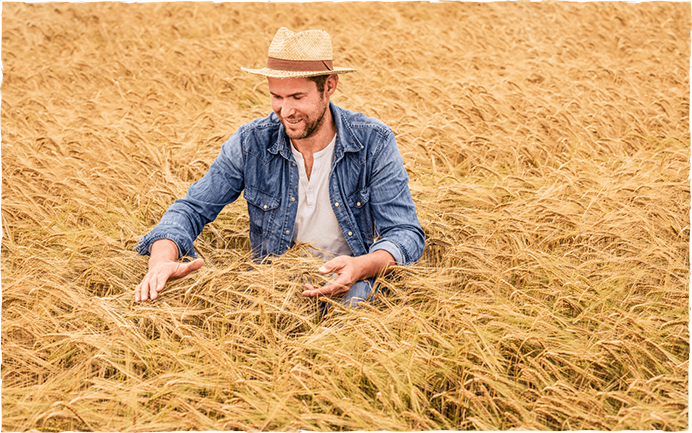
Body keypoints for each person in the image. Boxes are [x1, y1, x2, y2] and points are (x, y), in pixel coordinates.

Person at [133, 27, 425, 310]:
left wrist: (362, 266)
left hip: (349, 281)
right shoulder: (251, 142)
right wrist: (161, 259)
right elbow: (192, 208)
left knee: (356, 302)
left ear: (330, 86)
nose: (285, 111)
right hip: (270, 284)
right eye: (277, 97)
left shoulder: (373, 141)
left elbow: (404, 232)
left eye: (297, 97)